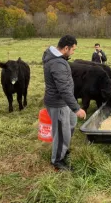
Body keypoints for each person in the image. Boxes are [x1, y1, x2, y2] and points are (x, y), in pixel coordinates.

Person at [42, 35, 86, 171]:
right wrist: (77, 108)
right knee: (62, 132)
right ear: (66, 48)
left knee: (71, 124)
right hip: (58, 103)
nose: (73, 53)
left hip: (65, 101)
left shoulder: (58, 59)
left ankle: (63, 149)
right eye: (73, 50)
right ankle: (57, 161)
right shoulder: (57, 63)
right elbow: (63, 89)